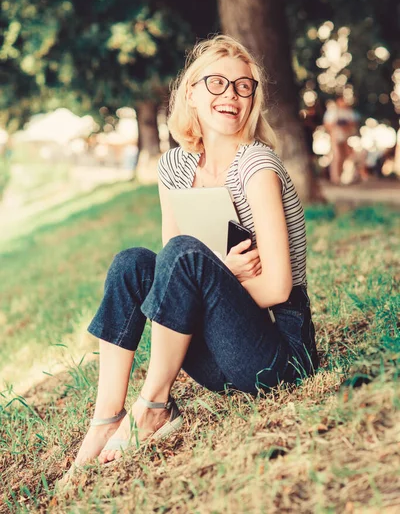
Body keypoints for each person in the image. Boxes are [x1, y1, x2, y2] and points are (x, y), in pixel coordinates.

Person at [62, 34, 319, 480]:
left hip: (277, 351)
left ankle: (154, 406)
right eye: (216, 83)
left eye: (243, 87)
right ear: (191, 94)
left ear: (252, 100)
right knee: (132, 264)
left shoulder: (256, 167)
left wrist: (220, 278)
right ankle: (105, 418)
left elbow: (278, 286)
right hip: (217, 352)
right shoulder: (175, 168)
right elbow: (167, 275)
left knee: (184, 255)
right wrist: (219, 275)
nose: (231, 95)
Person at [323, 96, 360, 185]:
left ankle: (346, 176)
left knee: (349, 157)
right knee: (337, 156)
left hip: (347, 138)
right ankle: (335, 178)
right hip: (335, 137)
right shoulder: (332, 112)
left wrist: (346, 126)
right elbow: (327, 125)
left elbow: (354, 123)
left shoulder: (349, 112)